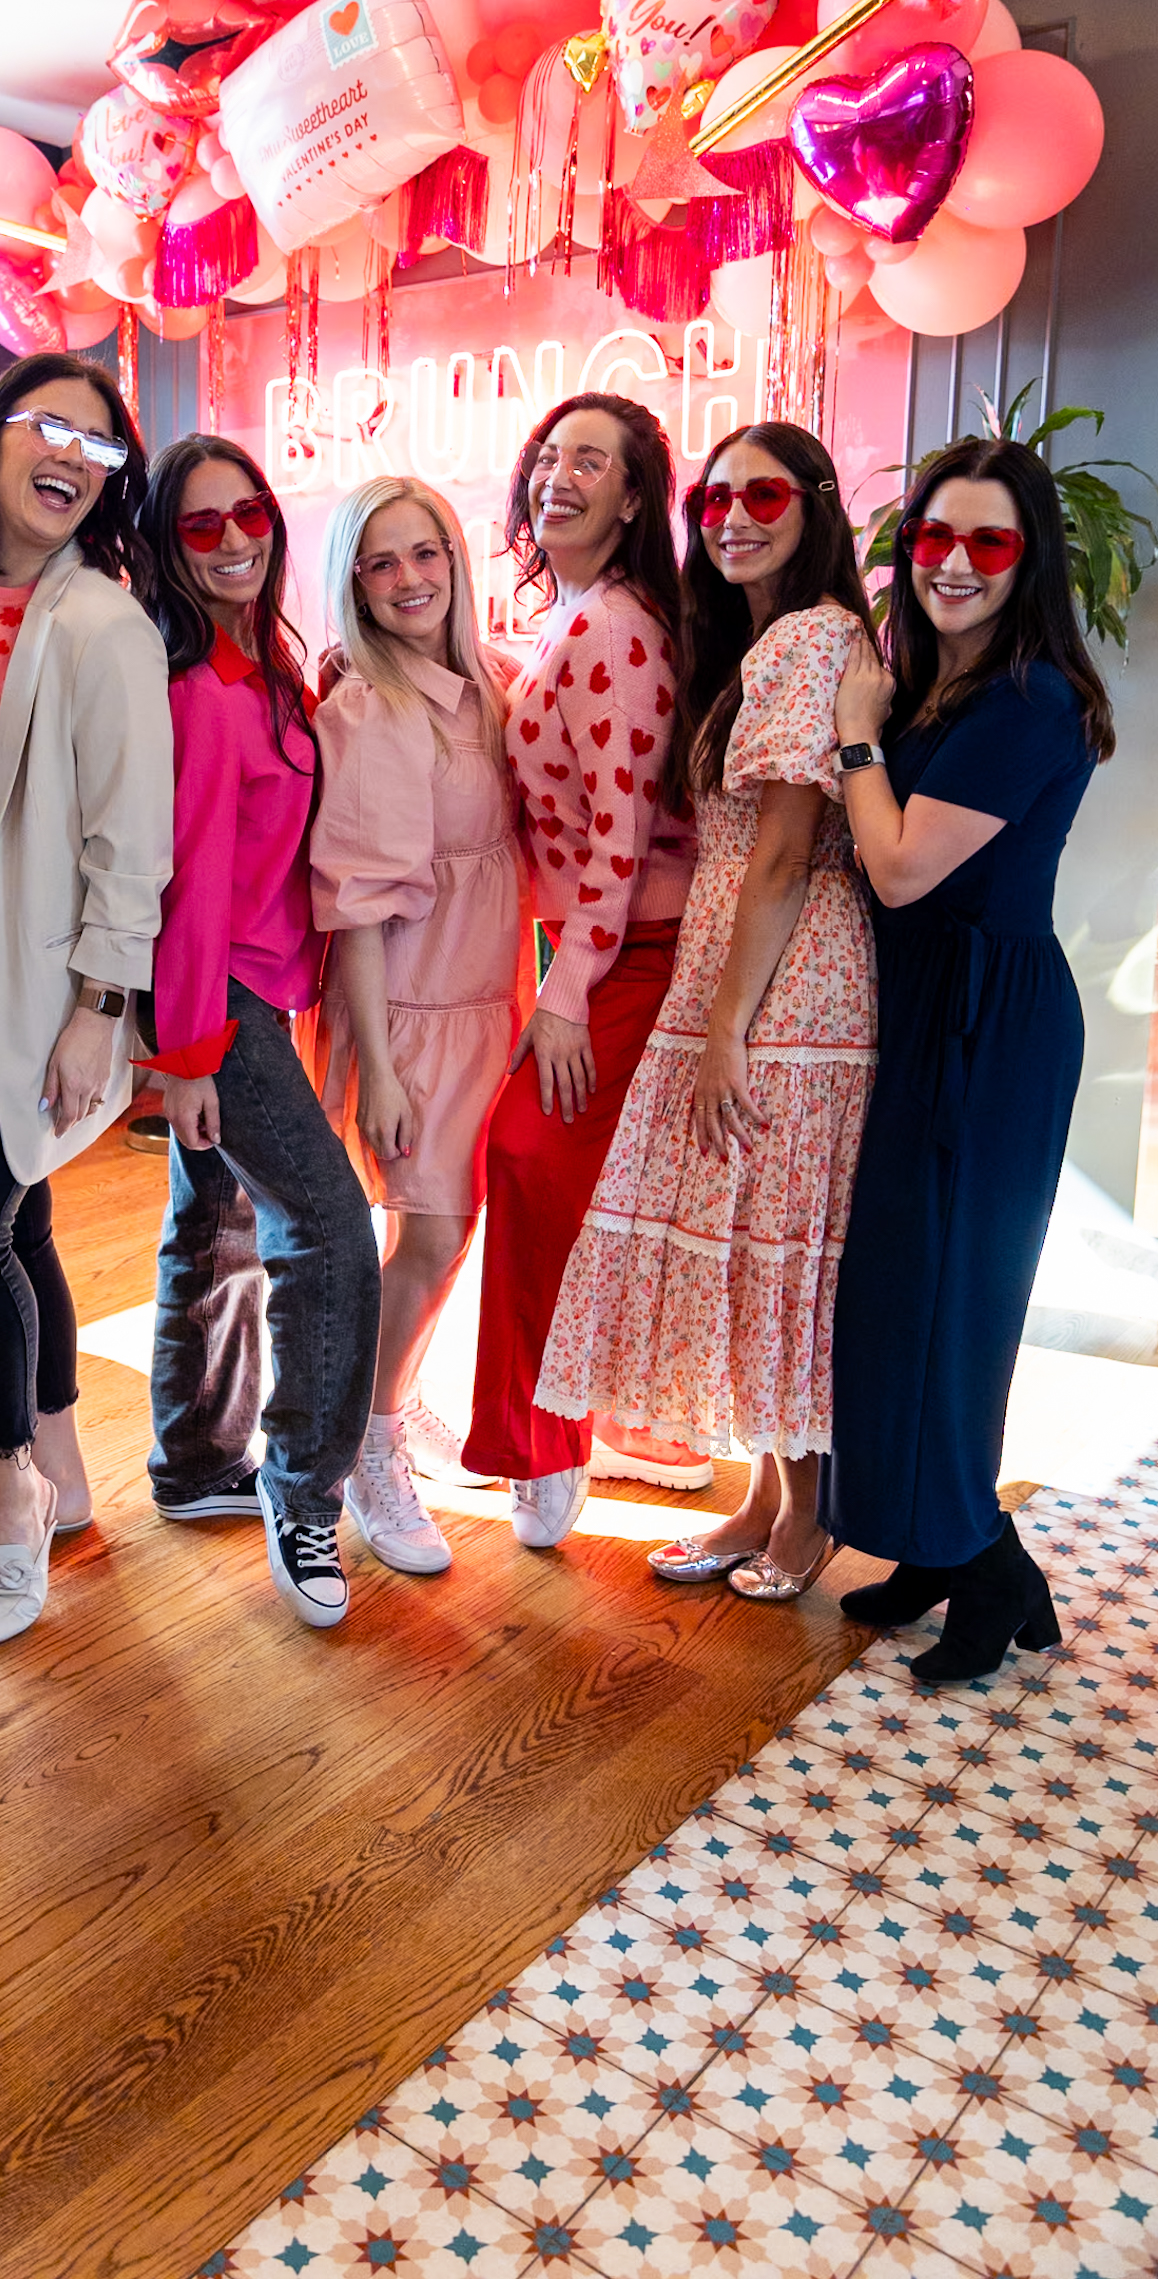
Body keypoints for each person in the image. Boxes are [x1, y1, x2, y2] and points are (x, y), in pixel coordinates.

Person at [536, 422, 877, 1599]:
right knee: (744, 1241)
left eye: (762, 494)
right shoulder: (761, 641)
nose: (731, 516)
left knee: (778, 1241)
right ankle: (761, 1499)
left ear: (815, 506)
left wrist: (727, 1023)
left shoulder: (816, 637)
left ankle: (808, 1516)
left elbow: (784, 856)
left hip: (782, 982)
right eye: (715, 500)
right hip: (742, 967)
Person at [820, 435, 1109, 1682]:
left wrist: (850, 737)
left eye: (987, 541)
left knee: (951, 1303)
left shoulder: (1029, 698)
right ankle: (936, 1542)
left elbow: (895, 866)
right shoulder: (934, 687)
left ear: (1028, 558)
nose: (952, 563)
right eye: (932, 537)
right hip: (928, 1010)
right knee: (898, 1296)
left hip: (991, 1028)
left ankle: (992, 1568)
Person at [0, 355, 172, 1650]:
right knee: (26, 1218)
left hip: (38, 970)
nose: (74, 454)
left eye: (103, 446)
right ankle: (66, 1488)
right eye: (51, 425)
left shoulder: (103, 623)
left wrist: (97, 1008)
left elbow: (131, 841)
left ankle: (12, 1484)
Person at [135, 436, 380, 1629]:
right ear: (164, 547)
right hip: (215, 1000)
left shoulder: (265, 662)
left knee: (215, 1217)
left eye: (250, 515)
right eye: (200, 527)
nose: (235, 540)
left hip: (261, 986)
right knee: (329, 1230)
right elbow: (180, 886)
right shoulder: (193, 687)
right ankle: (304, 1491)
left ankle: (193, 1463)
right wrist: (182, 1056)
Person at [451, 392, 702, 1551]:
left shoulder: (620, 627)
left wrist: (567, 991)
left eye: (589, 463)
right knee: (564, 1180)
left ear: (636, 495)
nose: (558, 477)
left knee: (529, 1158)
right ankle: (584, 1422)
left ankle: (550, 1439)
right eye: (549, 457)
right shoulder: (582, 615)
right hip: (599, 947)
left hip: (629, 949)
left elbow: (623, 829)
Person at [307, 478, 523, 1576]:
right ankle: (367, 1448)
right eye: (380, 563)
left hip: (486, 1002)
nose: (408, 581)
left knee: (448, 1232)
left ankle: (394, 1398)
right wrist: (379, 1069)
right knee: (428, 1234)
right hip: (413, 1014)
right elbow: (353, 910)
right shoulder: (369, 708)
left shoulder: (480, 687)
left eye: (424, 553)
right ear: (354, 580)